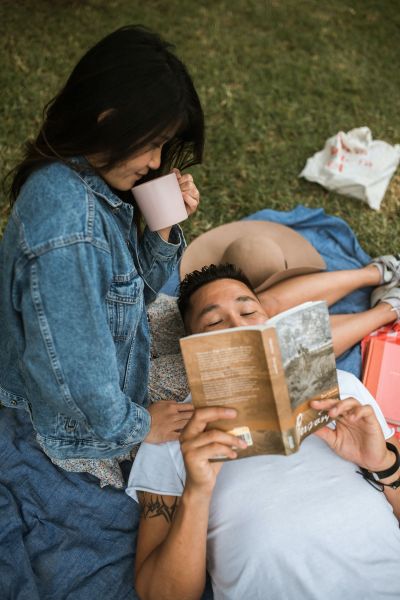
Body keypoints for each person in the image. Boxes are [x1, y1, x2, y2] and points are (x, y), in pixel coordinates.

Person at [126, 264, 400, 600]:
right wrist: (198, 490)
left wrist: (384, 462)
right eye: (214, 321)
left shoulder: (341, 388)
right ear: (191, 346)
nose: (238, 325)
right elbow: (161, 595)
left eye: (248, 312)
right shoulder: (171, 430)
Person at [0, 25, 201, 474]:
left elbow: (132, 296)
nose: (155, 161)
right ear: (107, 119)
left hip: (113, 374)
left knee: (215, 361)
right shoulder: (70, 234)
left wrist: (162, 225)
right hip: (79, 426)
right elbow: (75, 380)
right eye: (152, 143)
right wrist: (141, 425)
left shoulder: (84, 172)